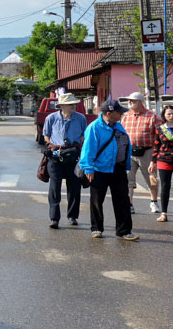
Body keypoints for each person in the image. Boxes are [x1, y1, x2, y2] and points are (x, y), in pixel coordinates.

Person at [79, 96, 138, 241]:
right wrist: (88, 168)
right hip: (99, 169)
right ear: (109, 113)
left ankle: (124, 231)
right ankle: (96, 228)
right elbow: (88, 149)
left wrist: (126, 164)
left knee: (122, 200)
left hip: (118, 168)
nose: (122, 114)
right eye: (119, 112)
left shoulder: (118, 125)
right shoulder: (94, 127)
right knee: (97, 200)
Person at [41, 92, 87, 229]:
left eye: (74, 104)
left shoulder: (81, 118)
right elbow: (46, 136)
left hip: (73, 156)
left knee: (74, 187)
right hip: (56, 156)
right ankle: (54, 218)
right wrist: (53, 146)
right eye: (70, 104)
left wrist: (77, 147)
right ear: (62, 106)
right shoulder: (51, 118)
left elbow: (84, 135)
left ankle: (72, 216)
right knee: (54, 187)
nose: (74, 106)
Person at [121, 91, 163, 214]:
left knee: (152, 178)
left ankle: (154, 202)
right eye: (129, 100)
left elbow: (161, 134)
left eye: (132, 101)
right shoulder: (126, 116)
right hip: (130, 152)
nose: (130, 102)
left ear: (140, 102)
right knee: (128, 180)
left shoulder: (152, 116)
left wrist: (157, 154)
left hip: (147, 152)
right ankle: (129, 204)